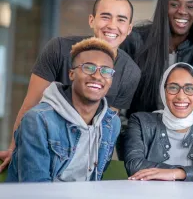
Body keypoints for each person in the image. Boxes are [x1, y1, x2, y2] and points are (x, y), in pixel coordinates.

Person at [0, 0, 141, 172]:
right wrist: (15, 148)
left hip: (81, 162)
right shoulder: (58, 49)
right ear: (92, 20)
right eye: (105, 17)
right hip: (42, 147)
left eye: (121, 20)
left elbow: (104, 127)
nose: (112, 26)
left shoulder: (131, 72)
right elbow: (30, 105)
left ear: (129, 29)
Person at [6, 37, 121, 182]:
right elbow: (35, 189)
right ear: (71, 74)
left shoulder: (111, 123)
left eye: (106, 71)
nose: (97, 76)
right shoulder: (38, 120)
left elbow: (95, 180)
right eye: (88, 67)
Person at [123, 63, 193, 182]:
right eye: (173, 87)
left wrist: (178, 173)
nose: (181, 96)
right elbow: (134, 165)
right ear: (163, 91)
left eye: (189, 88)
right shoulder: (140, 122)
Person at [121, 0, 193, 114]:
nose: (182, 11)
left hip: (185, 129)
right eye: (174, 4)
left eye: (190, 7)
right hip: (140, 127)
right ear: (163, 7)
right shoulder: (135, 39)